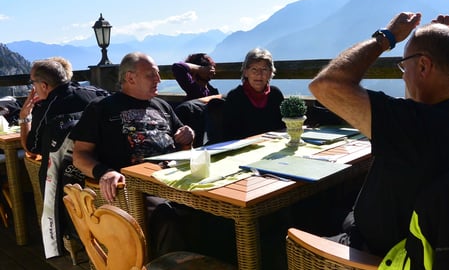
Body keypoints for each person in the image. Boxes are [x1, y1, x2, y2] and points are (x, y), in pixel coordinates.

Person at [309, 12, 449, 256]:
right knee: (332, 210)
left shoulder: (412, 125)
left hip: (375, 256)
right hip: (441, 246)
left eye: (404, 65)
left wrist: (386, 38)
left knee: (291, 230)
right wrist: (445, 46)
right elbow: (424, 103)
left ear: (423, 66)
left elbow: (325, 85)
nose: (402, 75)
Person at [71, 52, 194, 203]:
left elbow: (184, 146)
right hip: (134, 192)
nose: (158, 79)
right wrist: (104, 173)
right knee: (173, 212)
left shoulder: (163, 106)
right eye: (151, 75)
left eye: (158, 74)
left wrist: (188, 137)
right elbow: (79, 155)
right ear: (130, 78)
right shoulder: (101, 108)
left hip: (174, 181)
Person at [18, 57, 109, 156]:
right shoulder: (96, 93)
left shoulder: (45, 110)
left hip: (67, 163)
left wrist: (24, 118)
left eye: (33, 82)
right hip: (106, 156)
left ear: (44, 86)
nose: (33, 87)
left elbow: (32, 150)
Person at [222, 48, 285, 140]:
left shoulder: (275, 94)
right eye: (254, 69)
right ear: (245, 72)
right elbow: (228, 134)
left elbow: (283, 126)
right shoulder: (235, 97)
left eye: (264, 69)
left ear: (270, 73)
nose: (259, 74)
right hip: (242, 146)